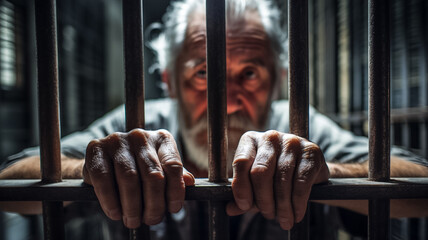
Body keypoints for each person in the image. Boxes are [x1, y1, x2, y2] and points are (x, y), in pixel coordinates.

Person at [1, 0, 428, 239]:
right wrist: (94, 169)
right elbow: (11, 182)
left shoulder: (297, 124)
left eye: (250, 73)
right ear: (168, 80)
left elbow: (420, 187)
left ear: (281, 78)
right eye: (203, 73)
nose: (228, 103)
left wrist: (326, 173)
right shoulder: (141, 123)